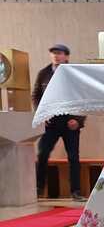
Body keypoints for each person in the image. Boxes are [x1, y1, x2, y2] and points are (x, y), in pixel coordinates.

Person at [32, 44, 86, 202]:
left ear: (66, 56)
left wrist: (78, 119)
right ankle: (38, 189)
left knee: (73, 157)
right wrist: (43, 114)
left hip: (70, 121)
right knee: (42, 153)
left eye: (59, 53)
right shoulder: (43, 73)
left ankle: (76, 192)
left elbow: (83, 97)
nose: (56, 55)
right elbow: (36, 95)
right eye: (53, 53)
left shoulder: (75, 73)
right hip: (51, 121)